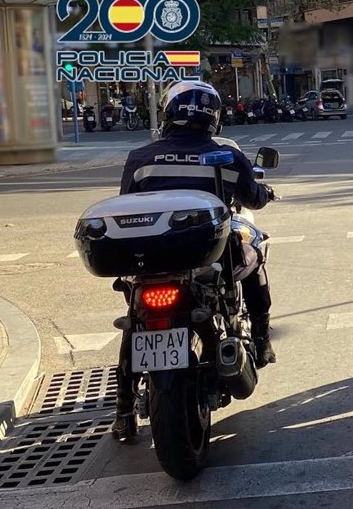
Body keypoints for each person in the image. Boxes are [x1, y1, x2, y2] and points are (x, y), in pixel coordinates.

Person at [113, 81, 277, 439]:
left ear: (169, 113)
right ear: (213, 118)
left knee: (136, 317)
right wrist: (265, 192)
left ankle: (123, 411)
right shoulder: (228, 155)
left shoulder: (140, 158)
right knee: (254, 255)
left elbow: (127, 205)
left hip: (151, 261)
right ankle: (262, 340)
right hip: (209, 261)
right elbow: (253, 198)